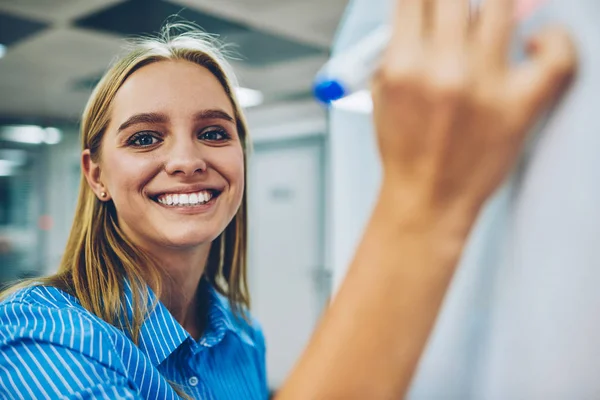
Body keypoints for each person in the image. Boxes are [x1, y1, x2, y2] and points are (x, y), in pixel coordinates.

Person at [0, 0, 576, 398]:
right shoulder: (36, 336)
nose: (186, 159)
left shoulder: (240, 336)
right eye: (146, 138)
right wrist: (428, 199)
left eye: (214, 132)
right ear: (95, 175)